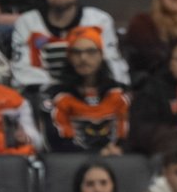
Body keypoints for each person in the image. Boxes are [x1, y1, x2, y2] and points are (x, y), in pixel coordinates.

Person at [45, 27, 129, 155]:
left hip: (118, 158)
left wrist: (120, 149)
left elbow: (132, 131)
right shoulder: (55, 95)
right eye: (76, 52)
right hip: (71, 160)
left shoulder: (121, 92)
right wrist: (96, 154)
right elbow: (54, 140)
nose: (83, 58)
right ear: (69, 57)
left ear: (101, 55)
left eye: (91, 51)